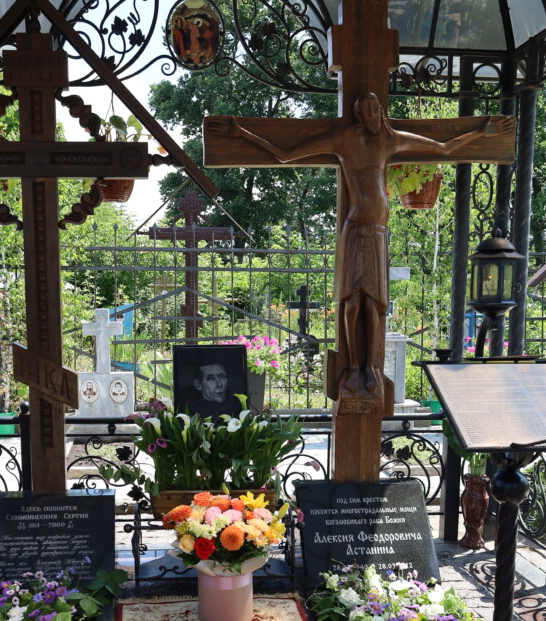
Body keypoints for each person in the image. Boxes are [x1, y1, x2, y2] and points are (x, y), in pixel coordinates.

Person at [206, 100, 511, 406]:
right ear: (360, 115)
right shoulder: (344, 139)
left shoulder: (391, 139)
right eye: (367, 110)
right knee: (351, 303)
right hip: (354, 232)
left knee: (374, 305)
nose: (374, 114)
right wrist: (240, 131)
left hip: (377, 235)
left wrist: (481, 132)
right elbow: (286, 154)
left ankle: (371, 370)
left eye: (377, 109)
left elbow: (443, 148)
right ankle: (352, 367)